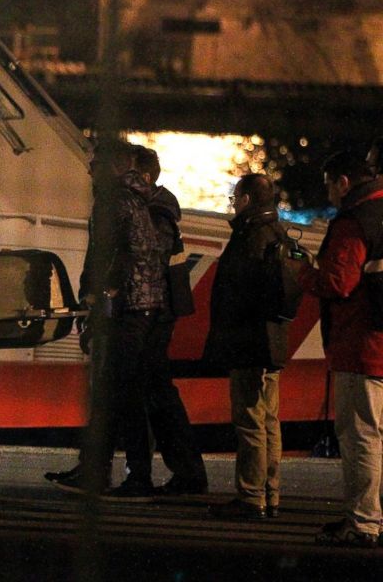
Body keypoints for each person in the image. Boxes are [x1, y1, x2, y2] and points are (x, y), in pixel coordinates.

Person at [49, 139, 164, 499]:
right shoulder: (137, 199)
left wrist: (94, 298)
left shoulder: (113, 201)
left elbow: (102, 257)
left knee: (118, 392)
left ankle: (127, 474)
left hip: (123, 308)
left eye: (96, 164)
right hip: (140, 306)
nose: (90, 170)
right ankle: (107, 469)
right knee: (119, 392)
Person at [290, 151, 383, 547]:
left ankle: (363, 523)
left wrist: (304, 272)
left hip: (362, 344)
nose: (328, 191)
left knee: (362, 435)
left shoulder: (354, 221)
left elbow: (339, 284)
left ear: (344, 182)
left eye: (330, 183)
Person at [203, 174, 289, 520]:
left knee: (250, 419)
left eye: (235, 196)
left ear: (248, 200)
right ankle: (271, 493)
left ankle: (251, 497)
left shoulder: (250, 236)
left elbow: (237, 291)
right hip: (273, 340)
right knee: (269, 420)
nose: (232, 202)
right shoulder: (276, 232)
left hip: (250, 341)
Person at [129, 146, 208, 495]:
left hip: (153, 317)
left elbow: (149, 266)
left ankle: (186, 474)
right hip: (158, 314)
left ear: (144, 177)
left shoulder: (155, 215)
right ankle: (181, 473)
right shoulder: (158, 210)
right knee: (156, 394)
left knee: (157, 395)